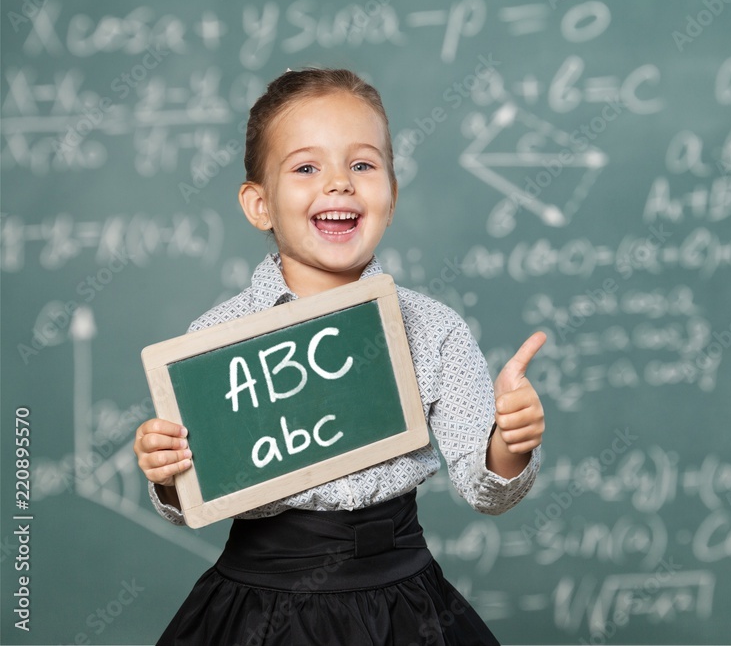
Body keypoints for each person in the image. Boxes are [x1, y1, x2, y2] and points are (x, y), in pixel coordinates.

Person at [133, 68, 546, 645]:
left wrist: (510, 442)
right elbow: (190, 499)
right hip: (259, 606)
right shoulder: (217, 340)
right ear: (259, 205)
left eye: (362, 165)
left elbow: (485, 488)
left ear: (392, 195)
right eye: (306, 168)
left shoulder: (434, 330)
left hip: (401, 603)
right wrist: (167, 470)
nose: (339, 184)